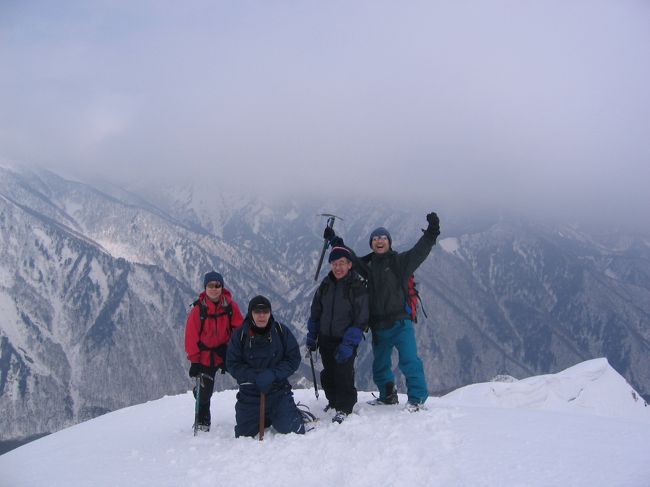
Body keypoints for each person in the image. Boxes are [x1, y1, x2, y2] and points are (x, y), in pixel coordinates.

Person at [324, 212, 440, 411]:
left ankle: (417, 400)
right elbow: (349, 257)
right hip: (378, 325)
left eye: (383, 238)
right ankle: (387, 396)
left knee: (410, 360)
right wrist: (335, 240)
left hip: (400, 323)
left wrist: (432, 231)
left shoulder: (401, 262)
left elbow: (419, 251)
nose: (379, 240)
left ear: (389, 242)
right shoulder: (368, 266)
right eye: (375, 238)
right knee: (380, 365)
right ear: (371, 244)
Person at [226, 295, 305, 438]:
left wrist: (274, 374)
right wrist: (254, 376)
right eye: (257, 312)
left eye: (265, 311)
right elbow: (232, 364)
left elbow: (293, 358)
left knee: (294, 430)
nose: (261, 315)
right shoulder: (240, 336)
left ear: (270, 313)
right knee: (244, 435)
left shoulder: (281, 332)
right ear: (251, 313)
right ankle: (266, 416)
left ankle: (286, 412)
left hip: (278, 391)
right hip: (250, 394)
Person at [306, 245, 369, 424]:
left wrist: (349, 344)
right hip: (326, 337)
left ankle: (344, 407)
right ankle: (333, 401)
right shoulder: (325, 285)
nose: (338, 267)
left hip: (345, 339)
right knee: (329, 373)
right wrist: (312, 335)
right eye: (334, 263)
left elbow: (361, 319)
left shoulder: (356, 287)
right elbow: (316, 312)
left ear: (350, 265)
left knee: (343, 373)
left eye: (342, 263)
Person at [184, 270, 244, 432]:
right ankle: (203, 420)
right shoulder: (198, 310)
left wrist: (237, 349)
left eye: (217, 285)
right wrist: (194, 361)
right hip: (205, 356)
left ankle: (249, 408)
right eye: (210, 285)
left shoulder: (230, 306)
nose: (214, 289)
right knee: (205, 392)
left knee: (245, 378)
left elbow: (240, 329)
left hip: (226, 352)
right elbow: (191, 337)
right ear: (205, 288)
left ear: (222, 287)